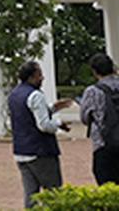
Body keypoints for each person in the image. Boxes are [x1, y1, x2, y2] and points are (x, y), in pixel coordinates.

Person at [9, 60, 73, 208]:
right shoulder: (36, 95)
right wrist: (58, 124)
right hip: (40, 151)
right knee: (54, 193)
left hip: (21, 151)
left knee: (31, 195)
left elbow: (27, 115)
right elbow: (43, 125)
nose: (42, 78)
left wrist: (52, 108)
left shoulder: (14, 94)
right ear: (31, 77)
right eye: (39, 75)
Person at [78, 53, 119, 185]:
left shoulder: (92, 91)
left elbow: (84, 118)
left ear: (94, 71)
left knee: (107, 188)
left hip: (104, 144)